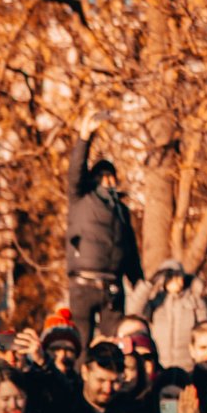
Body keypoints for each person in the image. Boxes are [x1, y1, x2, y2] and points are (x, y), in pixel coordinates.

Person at [65, 112, 142, 334]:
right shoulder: (81, 197)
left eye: (111, 176)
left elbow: (130, 250)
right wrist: (84, 137)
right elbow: (75, 171)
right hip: (84, 282)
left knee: (114, 341)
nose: (108, 180)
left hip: (113, 286)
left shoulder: (121, 211)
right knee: (81, 340)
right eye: (103, 176)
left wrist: (139, 283)